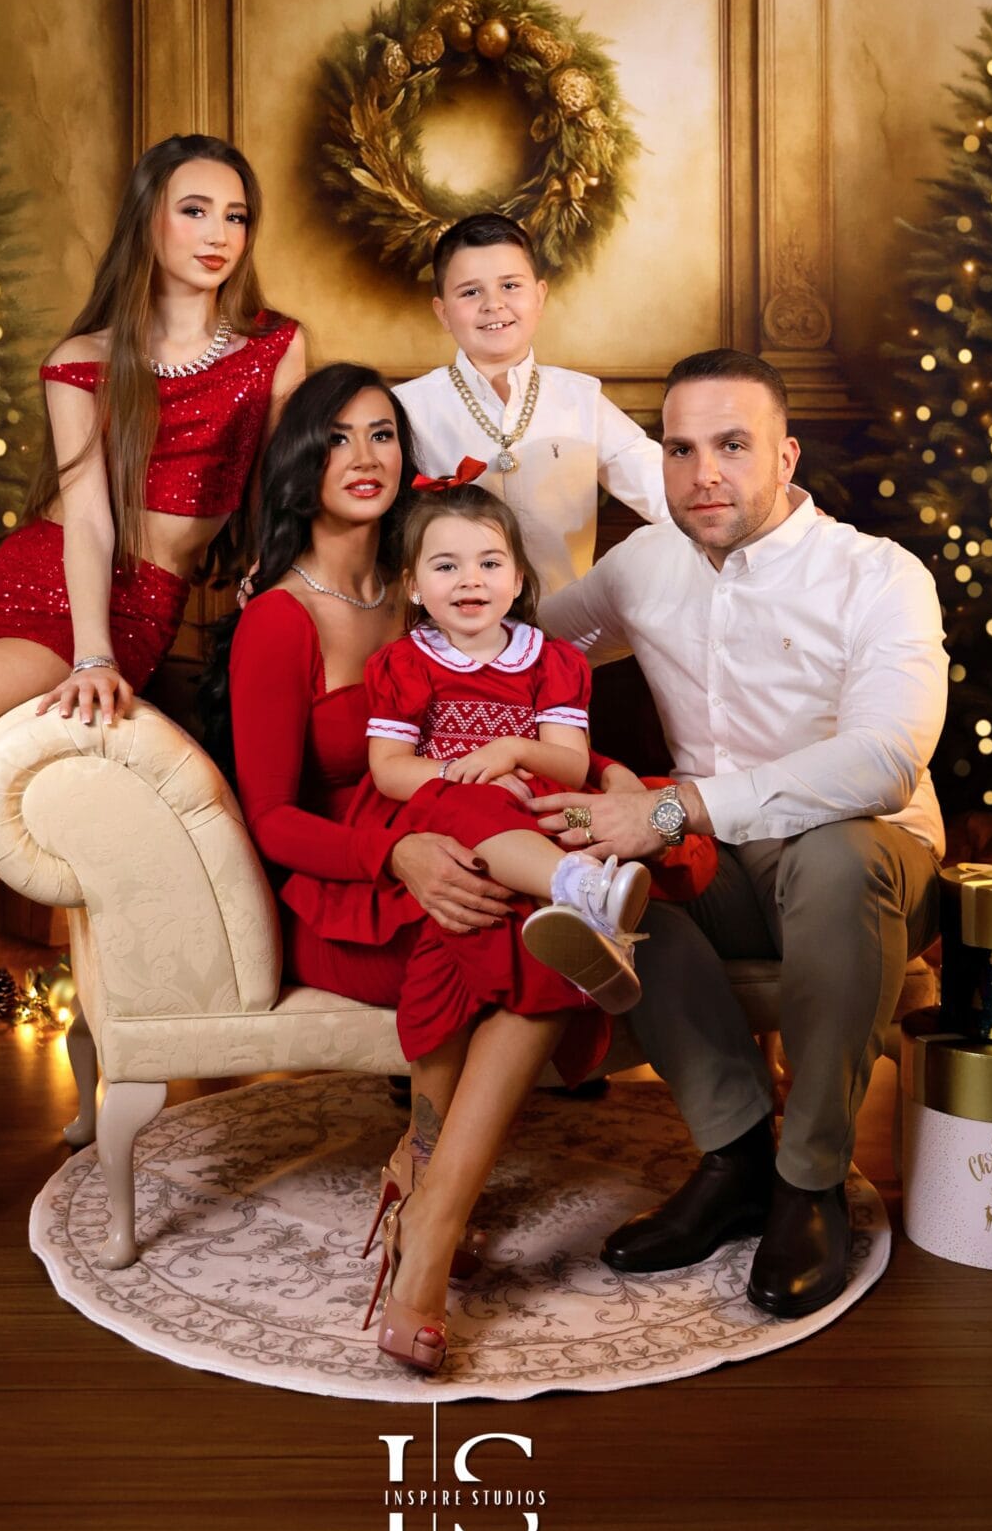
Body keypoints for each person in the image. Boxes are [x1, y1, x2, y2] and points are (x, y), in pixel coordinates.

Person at [0, 133, 305, 1249]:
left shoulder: (275, 348)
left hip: (137, 597)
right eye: (196, 210)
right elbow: (82, 514)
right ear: (149, 221)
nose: (220, 235)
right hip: (44, 584)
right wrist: (86, 649)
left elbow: (285, 488)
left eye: (237, 214)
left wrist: (263, 589)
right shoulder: (84, 356)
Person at [220, 366, 691, 1377]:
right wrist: (395, 849)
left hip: (481, 855)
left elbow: (529, 726)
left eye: (383, 434)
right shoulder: (278, 620)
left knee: (526, 925)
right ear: (301, 461)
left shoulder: (439, 582)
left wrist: (603, 777)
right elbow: (271, 820)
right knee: (529, 948)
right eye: (338, 438)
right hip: (351, 890)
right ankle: (430, 1240)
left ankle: (427, 1213)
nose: (364, 457)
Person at [534, 348, 947, 1319]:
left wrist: (673, 808)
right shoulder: (641, 569)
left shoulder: (877, 576)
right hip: (716, 866)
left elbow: (882, 761)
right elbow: (534, 658)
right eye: (680, 449)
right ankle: (735, 1163)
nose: (703, 473)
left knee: (837, 859)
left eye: (731, 445)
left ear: (786, 456)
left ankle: (811, 1184)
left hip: (870, 856)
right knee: (612, 890)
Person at [284, 468, 657, 1015]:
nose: (470, 580)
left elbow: (572, 768)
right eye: (446, 566)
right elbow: (389, 769)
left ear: (518, 579)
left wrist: (513, 751)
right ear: (413, 585)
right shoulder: (404, 663)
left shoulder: (551, 661)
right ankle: (580, 890)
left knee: (627, 814)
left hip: (541, 812)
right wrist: (468, 775)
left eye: (489, 563)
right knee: (474, 806)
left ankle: (595, 945)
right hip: (438, 813)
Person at [394, 212, 668, 594]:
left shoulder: (581, 400)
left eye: (510, 285)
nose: (493, 304)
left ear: (539, 296)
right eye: (470, 292)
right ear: (442, 312)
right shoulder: (407, 408)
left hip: (565, 630)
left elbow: (664, 491)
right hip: (453, 632)